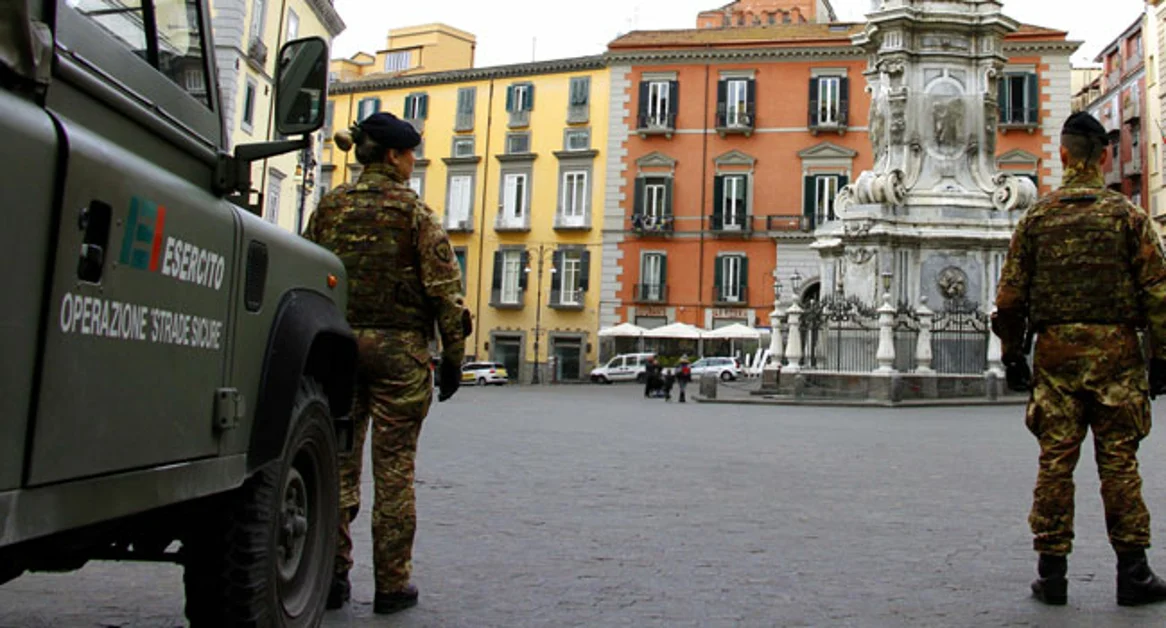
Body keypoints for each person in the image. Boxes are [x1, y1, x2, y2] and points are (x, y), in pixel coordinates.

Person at [993, 111, 1166, 607]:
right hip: (1117, 356)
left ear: (1063, 154)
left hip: (1056, 358)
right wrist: (1163, 359)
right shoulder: (1128, 218)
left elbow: (1009, 300)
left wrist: (1011, 356)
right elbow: (1158, 295)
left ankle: (1052, 576)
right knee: (1119, 464)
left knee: (1054, 464)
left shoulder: (1037, 219)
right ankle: (1133, 574)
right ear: (1105, 155)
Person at [304, 112, 470, 615]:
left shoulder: (328, 209)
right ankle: (392, 586)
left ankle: (330, 577)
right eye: (410, 153)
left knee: (336, 466)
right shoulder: (416, 214)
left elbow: (309, 273)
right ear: (395, 157)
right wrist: (453, 362)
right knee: (394, 471)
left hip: (337, 350)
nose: (414, 161)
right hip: (400, 355)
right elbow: (446, 294)